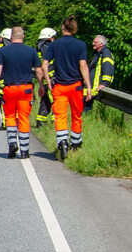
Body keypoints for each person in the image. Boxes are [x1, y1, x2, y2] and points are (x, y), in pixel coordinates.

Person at [42, 15, 93, 160]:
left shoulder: (54, 45)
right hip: (76, 86)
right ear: (74, 28)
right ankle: (75, 144)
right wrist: (88, 86)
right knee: (76, 115)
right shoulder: (81, 45)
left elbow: (44, 66)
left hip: (59, 86)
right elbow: (83, 66)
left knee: (60, 116)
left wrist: (48, 82)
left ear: (63, 28)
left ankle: (62, 143)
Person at [0, 26, 43, 159]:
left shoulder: (3, 51)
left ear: (11, 37)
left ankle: (12, 144)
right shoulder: (31, 51)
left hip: (10, 88)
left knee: (10, 116)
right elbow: (38, 70)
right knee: (24, 118)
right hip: (26, 88)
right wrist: (41, 85)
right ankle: (25, 151)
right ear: (23, 36)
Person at [85, 34, 115, 112]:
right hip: (90, 88)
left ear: (101, 44)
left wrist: (104, 84)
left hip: (94, 88)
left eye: (95, 42)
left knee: (86, 109)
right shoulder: (96, 54)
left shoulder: (106, 54)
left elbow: (108, 69)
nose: (93, 44)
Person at [34, 27, 57, 125]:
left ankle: (41, 121)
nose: (54, 39)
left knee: (45, 100)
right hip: (50, 77)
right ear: (49, 38)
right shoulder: (48, 48)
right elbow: (48, 65)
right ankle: (54, 121)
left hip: (42, 78)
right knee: (54, 99)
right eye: (53, 37)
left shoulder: (39, 47)